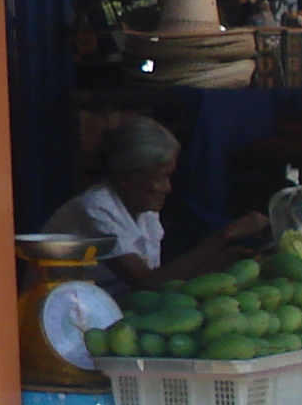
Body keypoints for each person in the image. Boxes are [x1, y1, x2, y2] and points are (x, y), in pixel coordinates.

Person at [45, 115, 266, 294]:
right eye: (161, 178)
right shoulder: (95, 209)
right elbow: (147, 283)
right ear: (127, 179)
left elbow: (165, 278)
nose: (167, 188)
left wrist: (221, 263)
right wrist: (225, 235)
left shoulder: (144, 211)